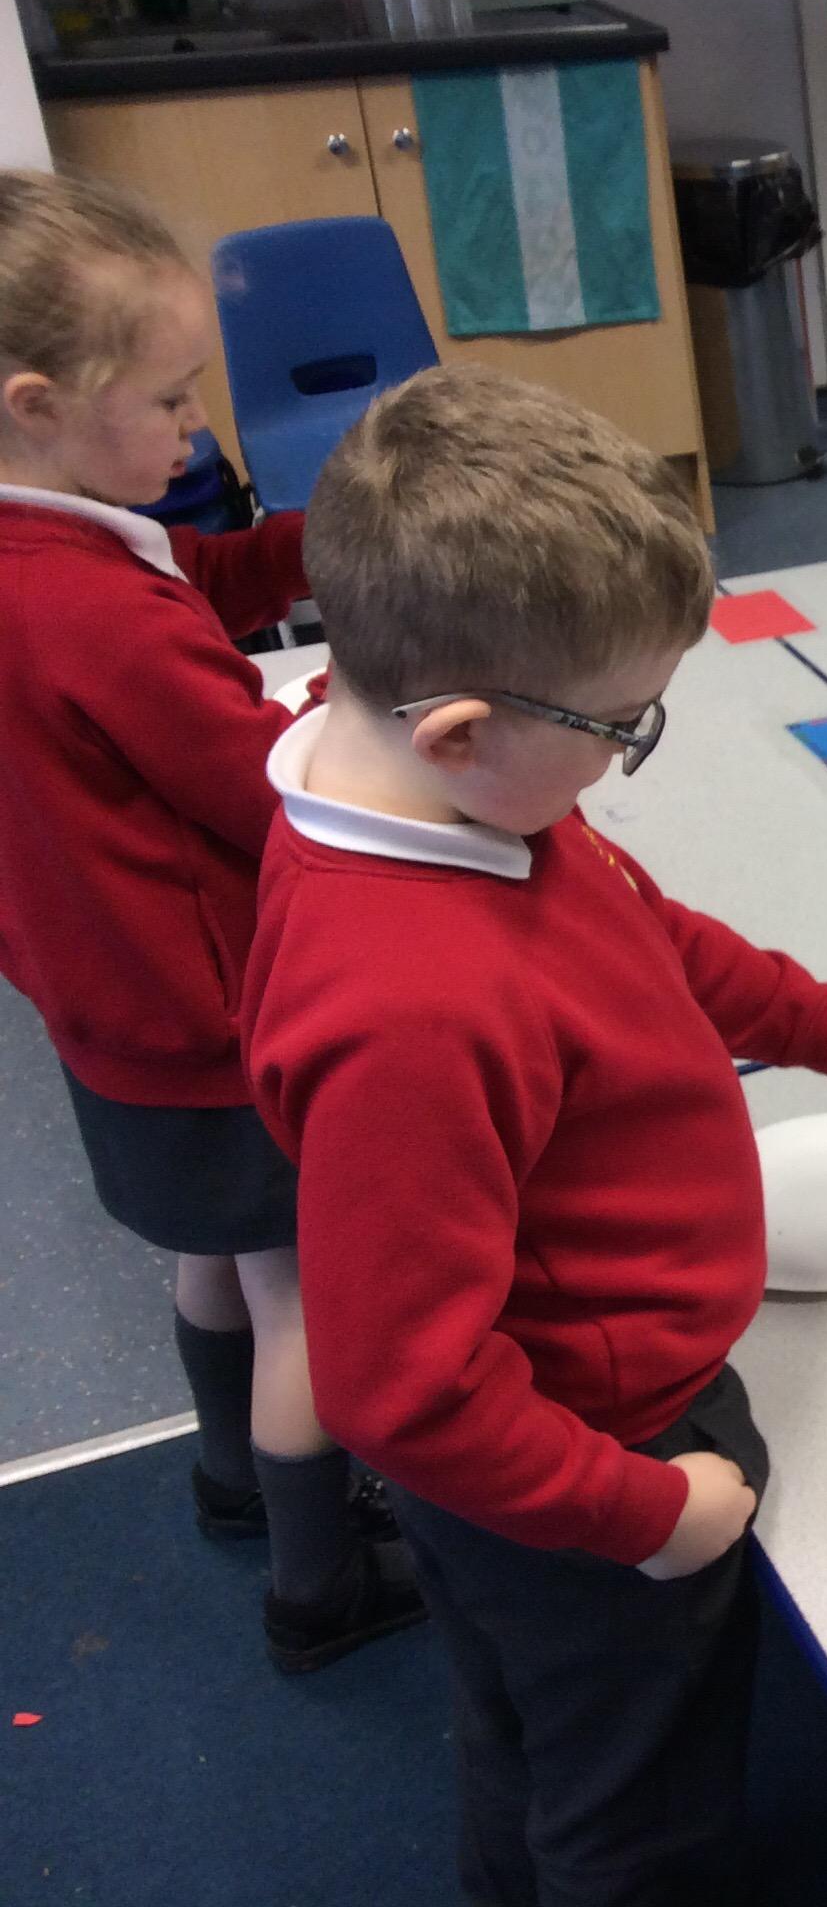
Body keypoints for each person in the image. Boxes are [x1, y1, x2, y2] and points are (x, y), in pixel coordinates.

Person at [241, 364, 827, 1902]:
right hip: (583, 1460)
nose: (623, 754)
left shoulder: (459, 799)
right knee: (634, 1813)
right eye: (618, 725)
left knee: (526, 1735)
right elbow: (399, 1389)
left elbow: (652, 937)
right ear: (460, 728)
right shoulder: (410, 1004)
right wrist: (647, 1513)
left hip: (566, 1444)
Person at [0, 168, 418, 1667]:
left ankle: (232, 1478)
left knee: (211, 1249)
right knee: (304, 1294)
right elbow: (263, 789)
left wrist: (324, 535)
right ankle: (322, 1583)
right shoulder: (89, 612)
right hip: (217, 1019)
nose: (199, 430)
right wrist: (383, 748)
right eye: (174, 399)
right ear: (40, 404)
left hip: (109, 1019)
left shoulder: (56, 548)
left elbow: (204, 576)